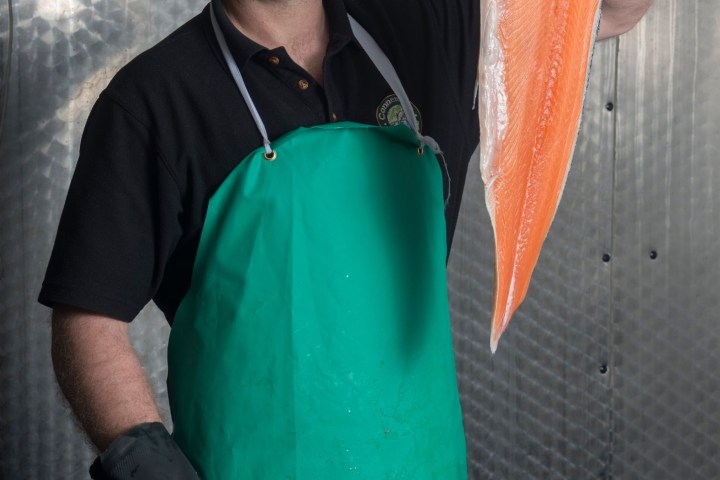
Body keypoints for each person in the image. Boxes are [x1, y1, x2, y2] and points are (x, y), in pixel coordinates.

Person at [40, 0, 652, 478]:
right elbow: (87, 321)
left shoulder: (425, 26)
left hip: (422, 464)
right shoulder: (154, 100)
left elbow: (609, 12)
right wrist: (150, 467)